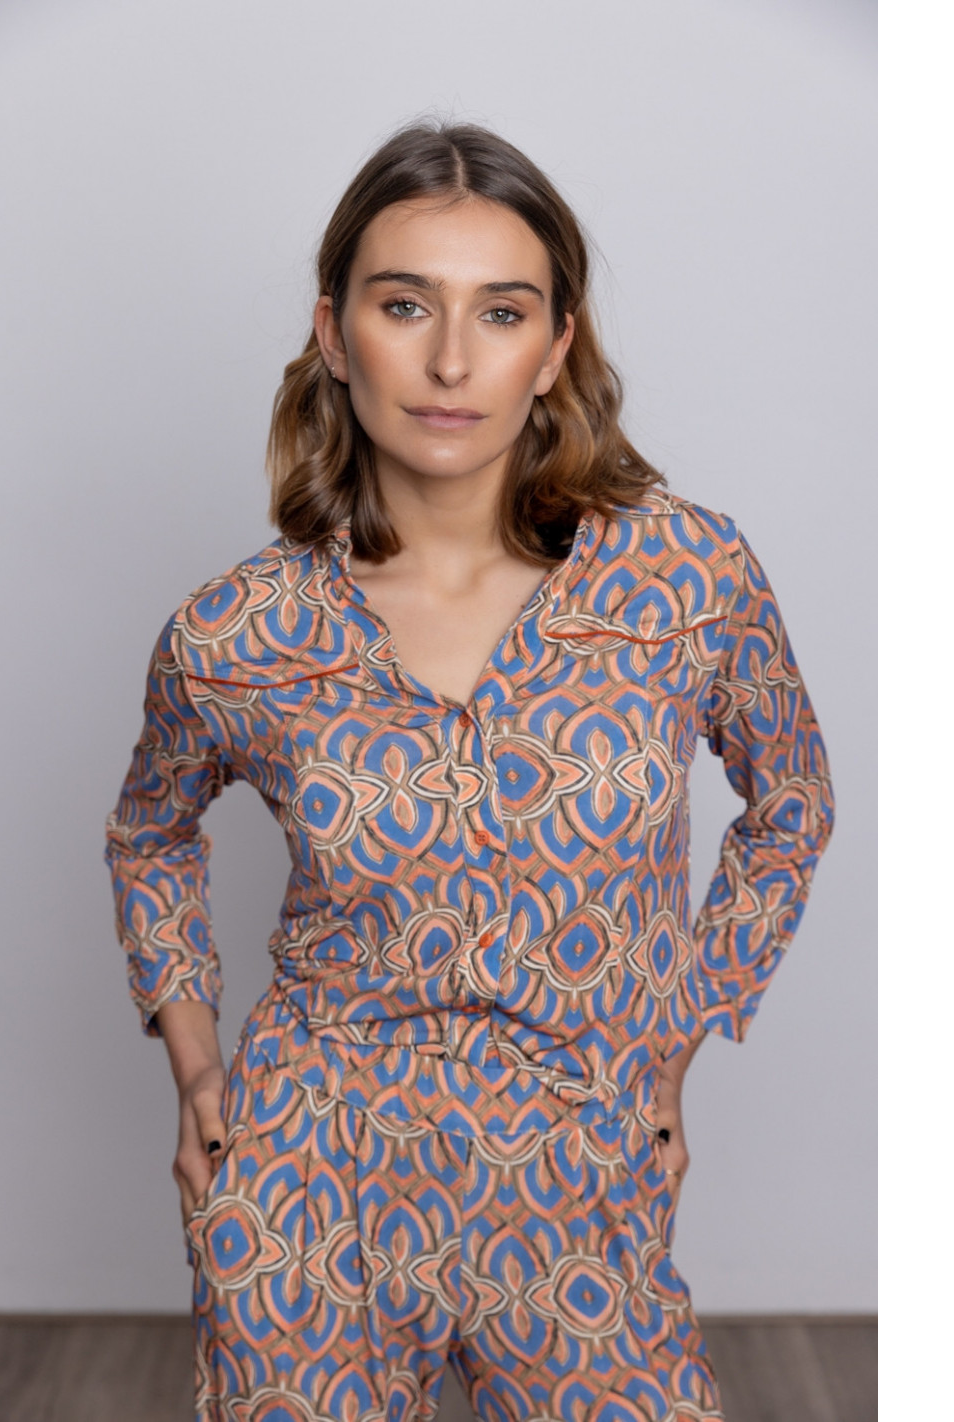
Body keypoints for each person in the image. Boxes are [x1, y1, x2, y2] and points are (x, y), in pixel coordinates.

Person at [104, 119, 834, 1422]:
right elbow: (147, 834)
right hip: (311, 1182)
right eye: (404, 305)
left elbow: (792, 804)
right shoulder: (240, 631)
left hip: (582, 1173)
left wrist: (681, 1027)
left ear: (554, 348)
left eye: (501, 312)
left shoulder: (686, 579)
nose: (451, 360)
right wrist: (198, 1062)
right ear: (334, 334)